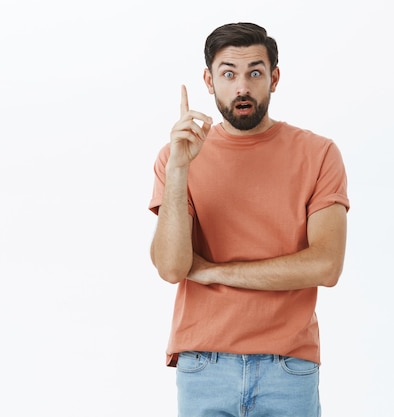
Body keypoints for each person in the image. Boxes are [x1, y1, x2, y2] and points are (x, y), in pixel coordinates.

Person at [148, 22, 349, 417]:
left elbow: (326, 265)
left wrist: (215, 273)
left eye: (255, 72)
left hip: (288, 367)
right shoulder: (176, 159)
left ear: (274, 78)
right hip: (204, 365)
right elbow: (172, 268)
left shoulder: (319, 154)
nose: (242, 87)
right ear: (209, 80)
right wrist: (178, 172)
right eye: (228, 74)